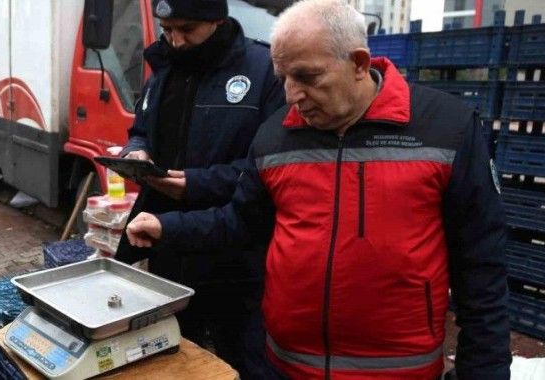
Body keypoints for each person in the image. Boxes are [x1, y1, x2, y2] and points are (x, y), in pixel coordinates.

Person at [125, 0, 512, 379]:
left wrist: (484, 370)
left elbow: (481, 269)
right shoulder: (275, 136)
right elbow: (239, 223)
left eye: (307, 77)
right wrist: (168, 228)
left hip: (398, 372)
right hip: (286, 366)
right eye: (284, 79)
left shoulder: (446, 129)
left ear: (358, 63)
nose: (292, 95)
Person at [115, 0, 286, 378]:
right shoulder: (163, 70)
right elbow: (139, 128)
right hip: (170, 248)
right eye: (167, 30)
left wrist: (196, 185)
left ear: (218, 21)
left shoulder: (264, 72)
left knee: (243, 363)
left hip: (236, 258)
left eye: (187, 29)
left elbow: (270, 168)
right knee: (175, 361)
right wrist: (136, 151)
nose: (175, 41)